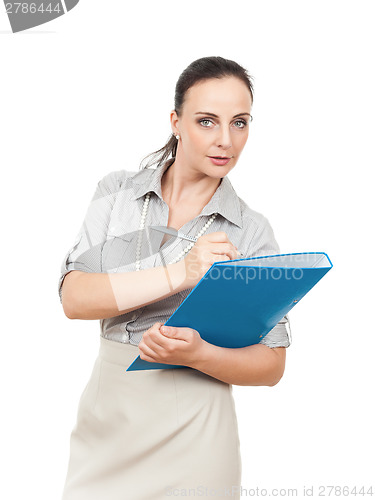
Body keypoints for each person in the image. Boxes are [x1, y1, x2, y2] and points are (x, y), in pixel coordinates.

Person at [58, 56, 291, 500]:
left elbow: (272, 364)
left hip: (197, 435)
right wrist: (181, 273)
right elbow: (75, 299)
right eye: (207, 121)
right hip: (107, 423)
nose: (226, 141)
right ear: (176, 122)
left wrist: (200, 353)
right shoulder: (118, 193)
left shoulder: (252, 231)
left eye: (240, 123)